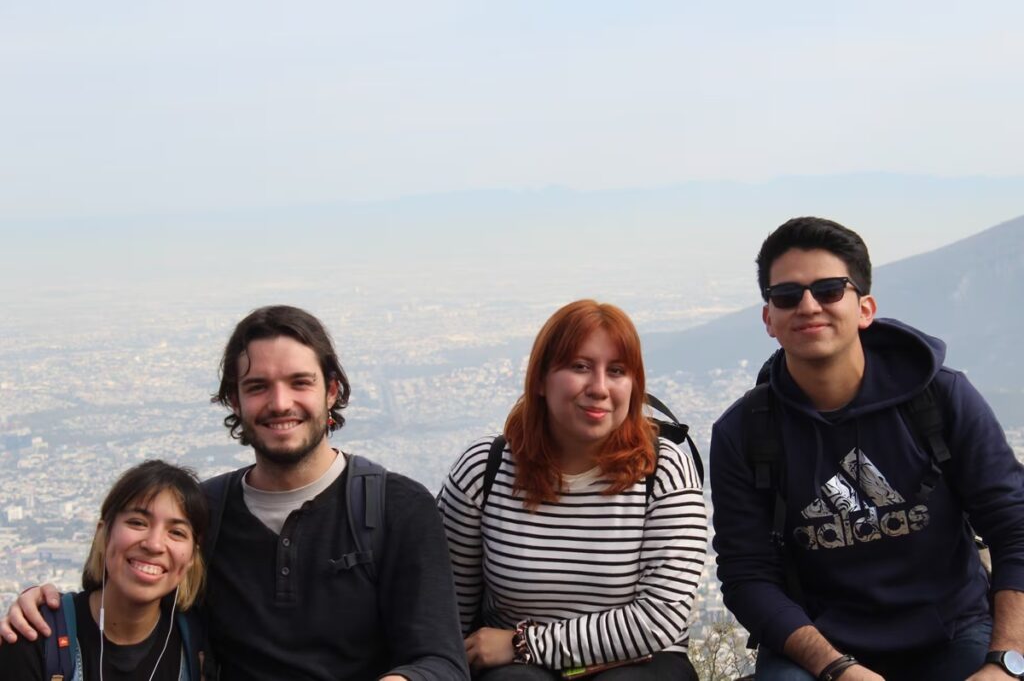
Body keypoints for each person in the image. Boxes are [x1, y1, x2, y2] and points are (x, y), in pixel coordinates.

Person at [2, 305, 470, 680]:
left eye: (299, 383)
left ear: (331, 391)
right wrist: (44, 611)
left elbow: (441, 662)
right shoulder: (202, 515)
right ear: (235, 402)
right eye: (258, 386)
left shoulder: (396, 508)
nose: (280, 403)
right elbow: (133, 596)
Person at [710, 217, 1024, 681]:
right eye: (787, 295)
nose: (809, 305)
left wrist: (1007, 659)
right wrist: (836, 667)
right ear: (769, 319)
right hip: (821, 647)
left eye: (830, 289)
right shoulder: (744, 433)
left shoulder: (939, 398)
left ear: (864, 308)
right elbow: (747, 576)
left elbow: (1014, 527)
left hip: (951, 635)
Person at [437, 299, 707, 680]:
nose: (598, 388)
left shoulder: (662, 470)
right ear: (541, 380)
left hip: (637, 662)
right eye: (580, 367)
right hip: (517, 672)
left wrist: (524, 643)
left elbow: (660, 617)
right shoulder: (486, 468)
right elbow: (452, 610)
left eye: (616, 371)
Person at [0, 459, 207, 680]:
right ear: (104, 533)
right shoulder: (37, 637)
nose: (154, 544)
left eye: (176, 532)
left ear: (192, 557)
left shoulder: (198, 644)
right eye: (137, 523)